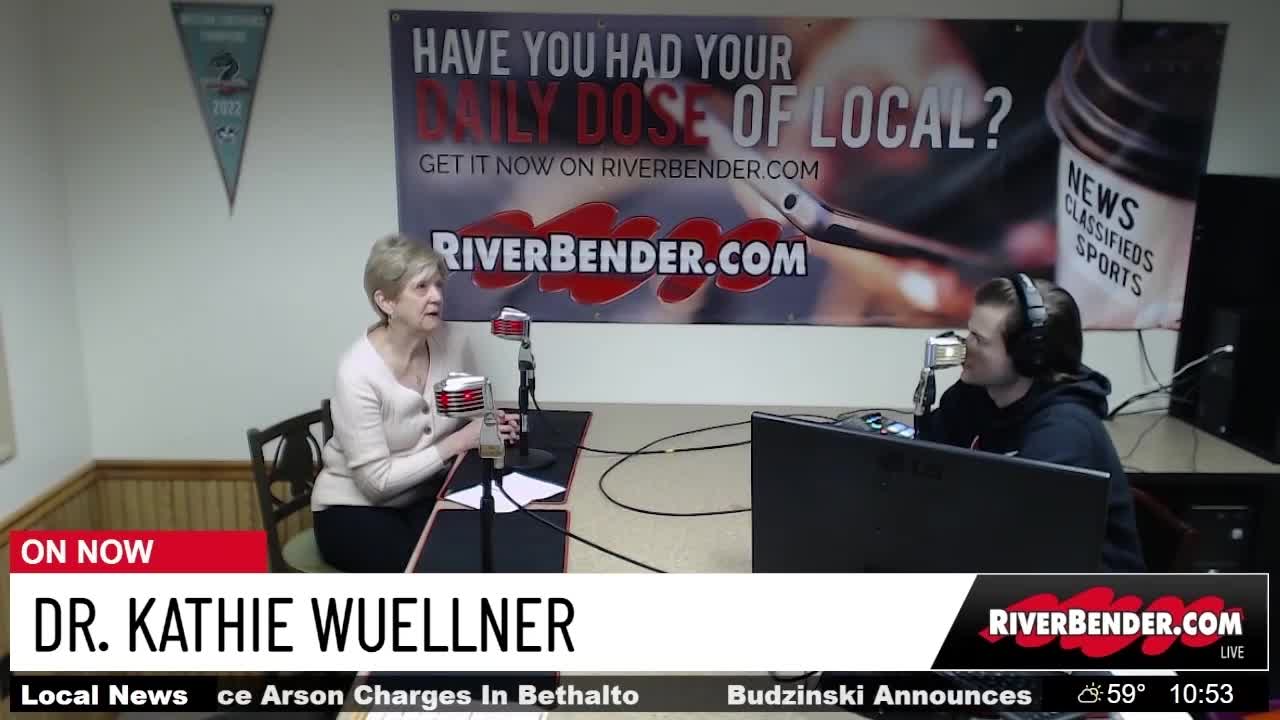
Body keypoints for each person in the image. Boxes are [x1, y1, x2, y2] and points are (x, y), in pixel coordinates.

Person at [312, 234, 518, 572]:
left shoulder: (452, 341)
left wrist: (491, 421)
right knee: (435, 568)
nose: (437, 296)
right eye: (421, 287)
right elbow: (376, 485)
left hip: (422, 497)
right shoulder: (356, 373)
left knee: (491, 547)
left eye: (438, 285)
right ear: (386, 302)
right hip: (353, 510)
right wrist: (460, 441)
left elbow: (468, 409)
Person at [915, 274, 1145, 571]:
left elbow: (1011, 537)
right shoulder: (975, 396)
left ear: (1027, 358)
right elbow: (925, 462)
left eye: (979, 340)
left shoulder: (1064, 432)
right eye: (969, 332)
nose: (964, 346)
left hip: (1078, 590)